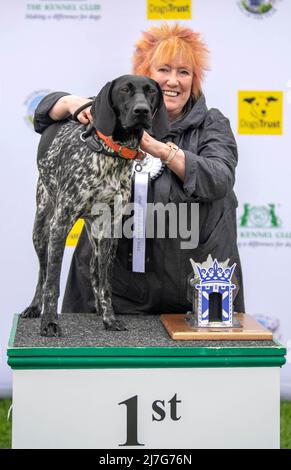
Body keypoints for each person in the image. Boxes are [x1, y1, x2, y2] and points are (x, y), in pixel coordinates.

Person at [34, 22, 245, 315]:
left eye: (184, 72)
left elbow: (219, 179)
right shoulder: (108, 117)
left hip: (189, 292)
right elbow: (44, 118)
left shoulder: (212, 124)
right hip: (114, 294)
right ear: (145, 75)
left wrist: (160, 150)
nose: (173, 81)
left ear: (194, 80)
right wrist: (68, 101)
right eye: (164, 70)